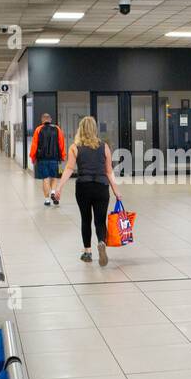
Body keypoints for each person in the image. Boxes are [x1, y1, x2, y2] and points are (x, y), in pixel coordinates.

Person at [54, 115, 121, 265]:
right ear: (94, 129)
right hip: (101, 187)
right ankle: (101, 242)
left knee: (86, 219)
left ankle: (87, 252)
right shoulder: (104, 146)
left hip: (83, 187)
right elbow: (109, 171)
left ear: (81, 129)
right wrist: (116, 190)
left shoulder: (74, 147)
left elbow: (70, 169)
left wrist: (59, 187)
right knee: (100, 220)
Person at [28, 112, 65, 206]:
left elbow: (34, 145)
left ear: (42, 120)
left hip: (42, 158)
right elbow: (61, 144)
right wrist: (63, 156)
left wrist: (33, 157)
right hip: (54, 157)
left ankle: (47, 200)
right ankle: (53, 192)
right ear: (50, 119)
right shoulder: (57, 129)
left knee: (45, 178)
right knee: (54, 177)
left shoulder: (38, 129)